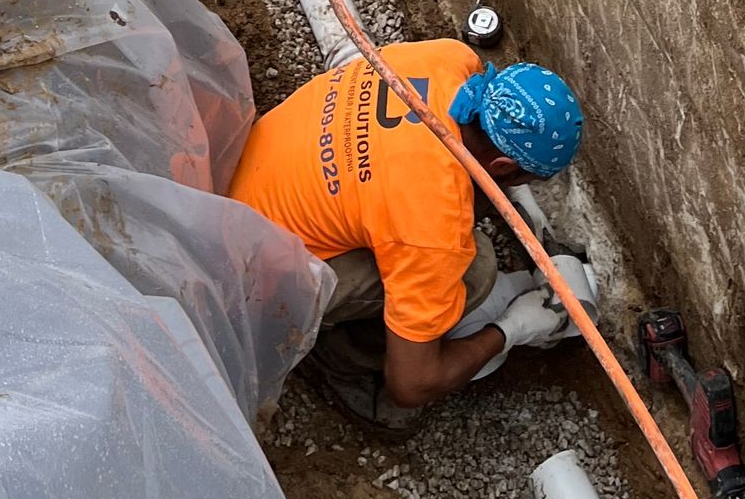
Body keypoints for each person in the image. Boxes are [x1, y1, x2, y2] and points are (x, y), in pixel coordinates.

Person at [230, 36, 586, 433]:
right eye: (530, 179)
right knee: (476, 269)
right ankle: (343, 361)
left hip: (241, 187)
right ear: (502, 165)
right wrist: (514, 328)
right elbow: (412, 386)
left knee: (438, 229)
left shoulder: (451, 59)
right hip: (247, 279)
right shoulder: (432, 229)